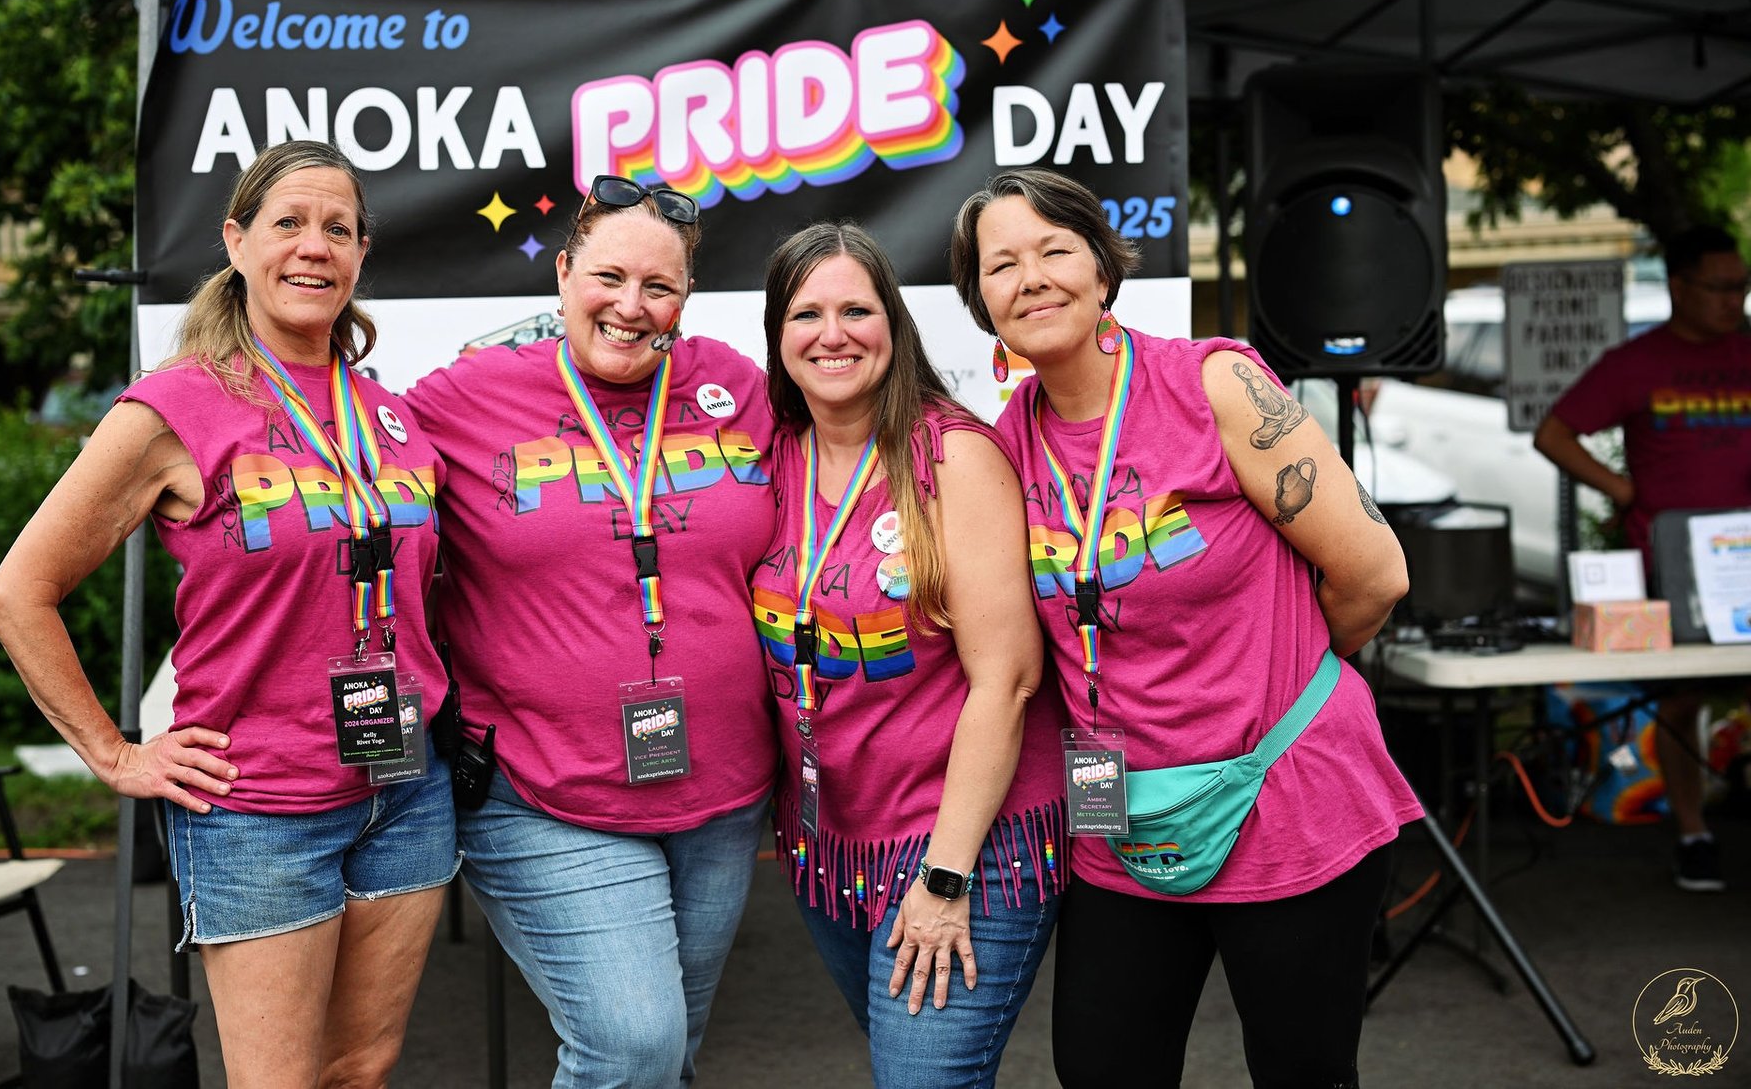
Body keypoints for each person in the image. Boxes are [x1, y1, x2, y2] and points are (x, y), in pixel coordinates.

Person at [0, 140, 457, 1088]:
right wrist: (116, 753)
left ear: (361, 253)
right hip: (257, 809)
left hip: (406, 790)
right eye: (289, 223)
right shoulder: (175, 407)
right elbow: (16, 594)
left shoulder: (388, 412)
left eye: (338, 228)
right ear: (237, 242)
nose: (314, 246)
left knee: (362, 1068)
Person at [950, 167, 1423, 1088]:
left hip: (1286, 797)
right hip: (1121, 818)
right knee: (1102, 1068)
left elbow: (1375, 574)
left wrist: (1278, 671)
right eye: (1001, 265)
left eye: (1053, 250)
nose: (1031, 277)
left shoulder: (1214, 384)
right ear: (982, 302)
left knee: (1303, 1072)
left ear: (1102, 269)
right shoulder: (1004, 447)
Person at [405, 176, 777, 1088]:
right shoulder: (466, 394)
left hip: (724, 793)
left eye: (660, 286)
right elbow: (336, 472)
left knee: (670, 1055)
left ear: (687, 296)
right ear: (565, 272)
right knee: (633, 1044)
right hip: (544, 789)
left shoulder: (735, 385)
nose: (631, 306)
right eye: (609, 277)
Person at [751, 222, 1063, 1086]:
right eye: (806, 313)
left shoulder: (952, 457)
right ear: (778, 335)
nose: (833, 333)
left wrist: (946, 876)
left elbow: (1009, 679)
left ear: (894, 321)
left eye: (857, 309)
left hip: (966, 840)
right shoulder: (770, 458)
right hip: (832, 844)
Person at [1534, 223, 1751, 893]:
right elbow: (1554, 432)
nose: (1734, 300)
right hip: (1674, 560)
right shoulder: (1636, 363)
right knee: (1681, 698)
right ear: (1679, 287)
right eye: (1720, 287)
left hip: (1745, 551)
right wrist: (1622, 490)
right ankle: (1693, 833)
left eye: (1742, 287)